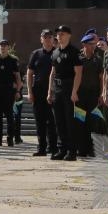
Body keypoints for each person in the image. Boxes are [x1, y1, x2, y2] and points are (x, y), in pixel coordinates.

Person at [47, 25, 82, 161]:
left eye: (62, 34)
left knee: (70, 121)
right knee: (59, 121)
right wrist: (50, 91)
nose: (59, 36)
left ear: (69, 35)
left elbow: (78, 73)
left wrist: (74, 91)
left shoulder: (74, 52)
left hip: (69, 87)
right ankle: (62, 149)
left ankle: (72, 151)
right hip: (57, 88)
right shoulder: (55, 53)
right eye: (58, 34)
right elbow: (52, 73)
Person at [26, 29, 58, 157]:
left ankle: (54, 147)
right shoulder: (36, 54)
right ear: (41, 39)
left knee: (53, 120)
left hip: (53, 91)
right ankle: (41, 148)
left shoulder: (57, 53)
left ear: (53, 39)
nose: (47, 39)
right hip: (38, 90)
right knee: (40, 121)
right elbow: (29, 73)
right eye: (45, 37)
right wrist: (29, 91)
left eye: (50, 37)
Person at [75, 33, 103, 157]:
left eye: (94, 44)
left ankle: (92, 149)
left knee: (93, 122)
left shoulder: (98, 60)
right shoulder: (78, 59)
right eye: (91, 44)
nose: (93, 47)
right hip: (80, 95)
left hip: (93, 95)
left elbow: (101, 78)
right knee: (80, 122)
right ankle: (81, 149)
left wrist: (101, 94)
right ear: (84, 45)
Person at [0, 40, 21, 147]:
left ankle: (10, 139)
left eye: (5, 46)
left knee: (9, 116)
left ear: (8, 47)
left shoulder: (12, 60)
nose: (3, 47)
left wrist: (18, 91)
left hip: (9, 92)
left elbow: (17, 77)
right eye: (1, 46)